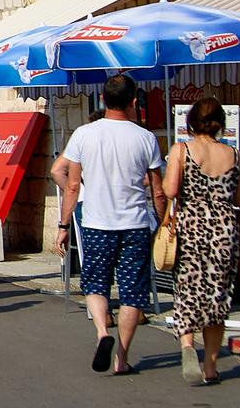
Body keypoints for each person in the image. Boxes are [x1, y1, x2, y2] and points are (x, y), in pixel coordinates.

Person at [56, 73, 166, 377]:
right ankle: (122, 357)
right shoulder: (146, 138)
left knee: (95, 284)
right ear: (134, 102)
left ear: (102, 99)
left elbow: (73, 186)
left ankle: (103, 332)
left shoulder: (83, 134)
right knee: (132, 293)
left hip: (95, 223)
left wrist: (63, 225)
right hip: (134, 224)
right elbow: (157, 190)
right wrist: (163, 221)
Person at [162, 100, 240, 386]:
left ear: (190, 123)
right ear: (221, 123)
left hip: (191, 228)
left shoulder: (182, 150)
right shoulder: (234, 154)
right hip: (224, 229)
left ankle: (187, 348)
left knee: (188, 290)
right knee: (217, 295)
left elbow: (170, 190)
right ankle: (210, 365)